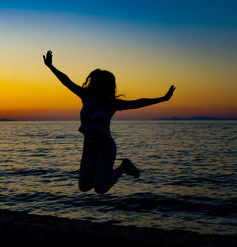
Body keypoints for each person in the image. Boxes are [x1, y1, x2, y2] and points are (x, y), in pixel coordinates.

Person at [43, 50, 175, 194]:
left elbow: (138, 102)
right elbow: (66, 81)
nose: (93, 83)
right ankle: (117, 170)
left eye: (97, 81)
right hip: (88, 147)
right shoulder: (85, 96)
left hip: (105, 147)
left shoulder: (111, 104)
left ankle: (123, 168)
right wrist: (51, 67)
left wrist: (162, 98)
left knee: (100, 188)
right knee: (84, 186)